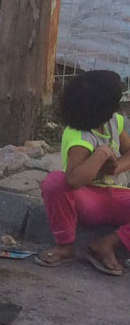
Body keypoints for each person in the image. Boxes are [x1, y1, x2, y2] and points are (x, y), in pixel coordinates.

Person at [38, 70, 130, 275]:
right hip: (87, 199)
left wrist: (116, 167)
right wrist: (101, 153)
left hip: (115, 193)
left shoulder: (113, 122)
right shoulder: (79, 137)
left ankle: (107, 244)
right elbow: (73, 180)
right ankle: (65, 245)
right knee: (55, 182)